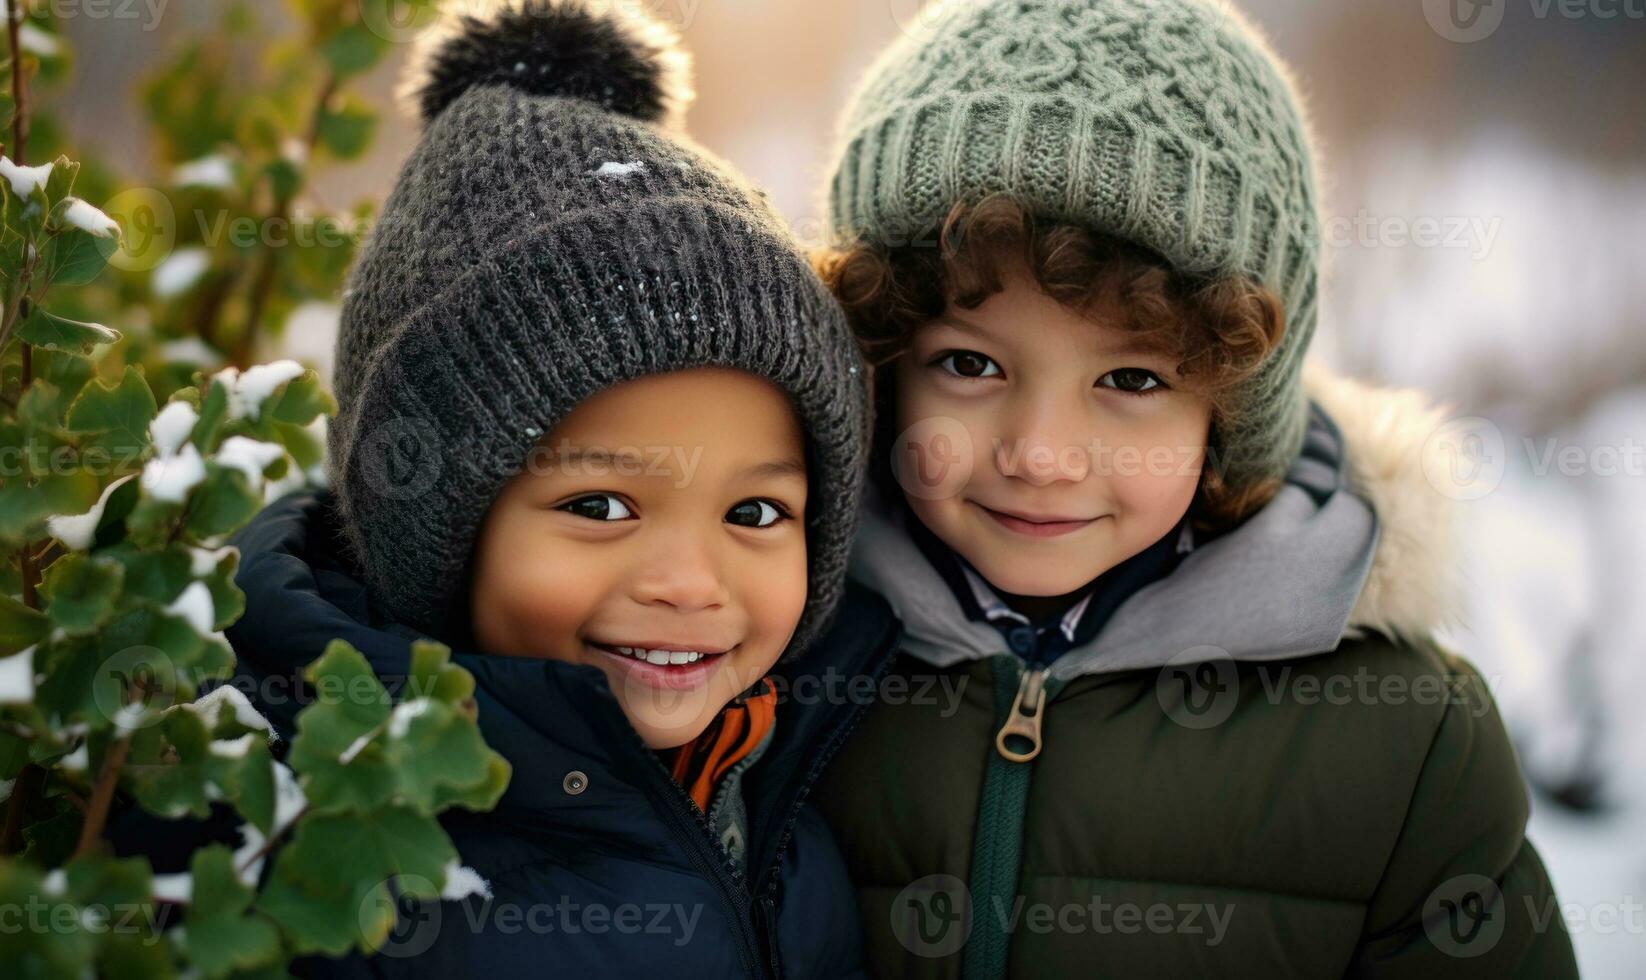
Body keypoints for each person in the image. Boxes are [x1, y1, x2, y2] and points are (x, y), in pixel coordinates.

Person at [805, 0, 1580, 975]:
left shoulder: (1405, 743)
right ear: (875, 363)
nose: (1041, 453)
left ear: (1227, 408)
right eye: (968, 364)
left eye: (1129, 380)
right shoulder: (762, 661)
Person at [138, 1, 893, 976]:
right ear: (431, 527)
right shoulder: (302, 856)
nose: (687, 581)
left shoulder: (781, 790)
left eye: (754, 512)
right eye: (600, 506)